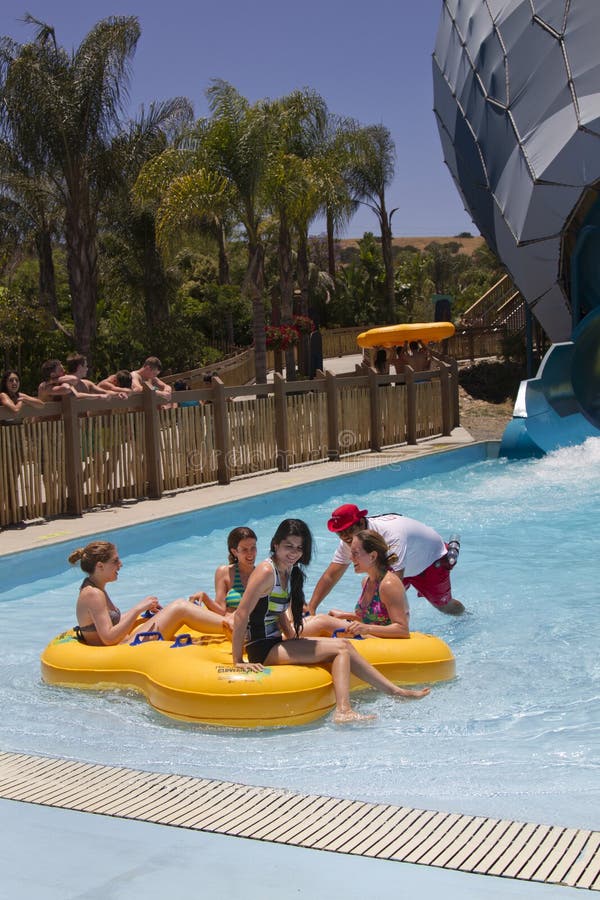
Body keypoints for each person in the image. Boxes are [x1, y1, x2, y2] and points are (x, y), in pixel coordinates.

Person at [231, 518, 429, 724]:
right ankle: (343, 710)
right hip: (261, 648)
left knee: (344, 644)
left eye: (299, 547)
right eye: (288, 546)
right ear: (275, 544)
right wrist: (238, 661)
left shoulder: (286, 569)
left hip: (275, 641)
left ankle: (395, 691)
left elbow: (277, 609)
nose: (294, 552)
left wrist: (292, 637)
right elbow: (241, 614)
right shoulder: (266, 571)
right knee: (340, 650)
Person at [308, 504, 464, 617]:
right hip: (400, 564)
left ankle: (465, 617)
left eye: (348, 530)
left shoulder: (391, 534)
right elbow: (331, 575)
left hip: (430, 560)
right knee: (373, 599)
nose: (345, 537)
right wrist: (311, 607)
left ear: (362, 522)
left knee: (444, 607)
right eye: (339, 533)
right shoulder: (350, 540)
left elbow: (395, 580)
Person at [70, 540, 226, 646]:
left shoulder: (95, 588)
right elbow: (109, 638)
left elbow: (108, 623)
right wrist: (138, 608)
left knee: (175, 610)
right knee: (179, 607)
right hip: (123, 651)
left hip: (123, 646)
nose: (120, 564)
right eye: (115, 561)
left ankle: (228, 624)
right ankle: (233, 626)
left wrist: (143, 609)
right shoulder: (93, 594)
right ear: (100, 566)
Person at [302, 530, 410, 639]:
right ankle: (290, 634)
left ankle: (286, 638)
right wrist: (347, 615)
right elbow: (374, 618)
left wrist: (367, 628)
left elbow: (402, 629)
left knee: (322, 622)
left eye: (355, 553)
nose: (351, 558)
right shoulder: (367, 581)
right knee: (316, 619)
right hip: (371, 637)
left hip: (384, 643)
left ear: (372, 556)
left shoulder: (388, 584)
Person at [189, 526, 257, 615]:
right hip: (230, 624)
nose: (250, 553)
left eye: (253, 547)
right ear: (234, 552)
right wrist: (205, 598)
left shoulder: (263, 573)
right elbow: (221, 610)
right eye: (244, 549)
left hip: (253, 626)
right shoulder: (224, 572)